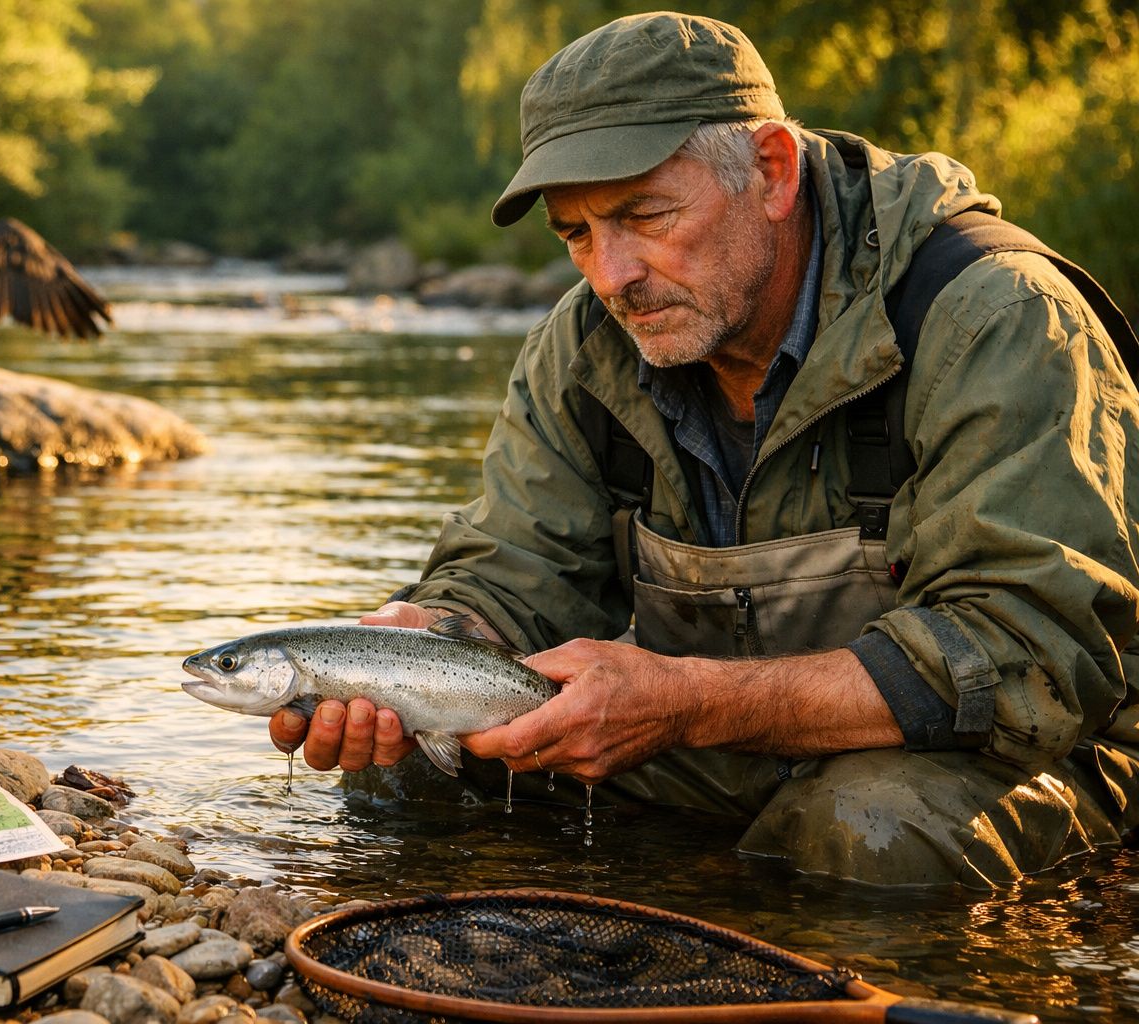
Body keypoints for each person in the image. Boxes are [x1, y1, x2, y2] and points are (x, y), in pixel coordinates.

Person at [271, 12, 1139, 887]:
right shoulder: (584, 349)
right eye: (575, 235)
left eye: (645, 215)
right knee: (413, 764)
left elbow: (1028, 655)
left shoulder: (997, 317)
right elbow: (516, 571)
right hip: (725, 733)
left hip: (1028, 747)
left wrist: (691, 705)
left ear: (772, 170)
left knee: (865, 833)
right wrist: (436, 639)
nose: (611, 276)